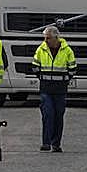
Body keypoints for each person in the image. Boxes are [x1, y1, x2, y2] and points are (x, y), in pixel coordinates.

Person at [32, 25, 76, 153]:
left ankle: (56, 144)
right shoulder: (41, 49)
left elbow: (72, 68)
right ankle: (46, 143)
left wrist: (64, 79)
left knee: (58, 116)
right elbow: (35, 67)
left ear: (56, 38)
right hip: (46, 89)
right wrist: (43, 78)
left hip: (60, 90)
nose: (46, 41)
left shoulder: (67, 51)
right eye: (45, 38)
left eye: (48, 38)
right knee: (47, 114)